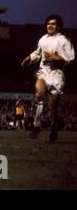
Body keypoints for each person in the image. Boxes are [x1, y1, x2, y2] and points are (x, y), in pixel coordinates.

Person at [21, 14, 74, 143]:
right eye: (48, 23)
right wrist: (29, 58)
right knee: (38, 93)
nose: (50, 26)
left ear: (58, 26)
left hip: (57, 75)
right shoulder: (43, 39)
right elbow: (37, 53)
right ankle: (36, 125)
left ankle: (54, 128)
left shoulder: (64, 40)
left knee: (52, 107)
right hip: (43, 72)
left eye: (53, 24)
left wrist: (58, 58)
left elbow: (71, 58)